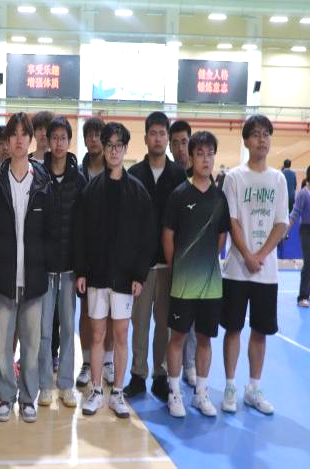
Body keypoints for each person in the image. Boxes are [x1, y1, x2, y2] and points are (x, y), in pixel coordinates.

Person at [75, 122, 155, 419]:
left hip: (124, 278)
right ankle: (96, 390)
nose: (113, 151)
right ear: (103, 148)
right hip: (96, 276)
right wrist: (81, 272)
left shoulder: (138, 192)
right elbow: (81, 234)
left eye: (118, 145)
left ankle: (117, 392)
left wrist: (139, 275)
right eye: (109, 145)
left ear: (125, 149)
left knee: (121, 335)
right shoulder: (91, 190)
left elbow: (146, 238)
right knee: (97, 334)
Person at [0, 112, 54, 424]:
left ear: (31, 139)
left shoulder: (43, 182)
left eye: (23, 134)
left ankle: (28, 398)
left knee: (31, 344)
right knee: (2, 344)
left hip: (34, 277)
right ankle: (5, 395)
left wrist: (44, 265)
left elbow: (51, 232)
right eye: (12, 135)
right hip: (2, 277)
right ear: (6, 141)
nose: (18, 140)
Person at [221, 115, 288, 415]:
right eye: (256, 134)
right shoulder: (234, 178)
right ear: (246, 141)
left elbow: (281, 223)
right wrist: (247, 255)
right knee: (233, 329)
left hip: (266, 272)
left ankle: (253, 388)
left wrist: (260, 255)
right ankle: (230, 386)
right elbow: (232, 220)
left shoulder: (278, 180)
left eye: (266, 134)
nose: (262, 140)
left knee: (260, 331)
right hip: (237, 269)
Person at [162, 131, 230, 418]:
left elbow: (221, 237)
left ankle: (201, 393)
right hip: (183, 283)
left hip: (211, 285)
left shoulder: (219, 198)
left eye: (210, 154)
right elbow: (168, 236)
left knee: (204, 339)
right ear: (191, 158)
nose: (205, 159)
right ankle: (174, 393)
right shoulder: (179, 195)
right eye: (199, 154)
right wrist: (178, 268)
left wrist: (206, 262)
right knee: (177, 338)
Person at [125, 111, 187, 402]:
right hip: (141, 266)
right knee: (139, 323)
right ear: (146, 137)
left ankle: (160, 376)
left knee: (163, 324)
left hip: (169, 264)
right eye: (154, 133)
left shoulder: (178, 176)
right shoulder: (134, 174)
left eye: (163, 134)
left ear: (167, 138)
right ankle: (138, 374)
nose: (158, 138)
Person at [37, 116, 86, 409]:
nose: (58, 143)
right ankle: (44, 384)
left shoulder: (78, 180)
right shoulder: (38, 176)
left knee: (68, 329)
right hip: (44, 269)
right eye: (53, 138)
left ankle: (66, 384)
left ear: (69, 141)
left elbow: (84, 227)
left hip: (69, 269)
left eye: (63, 138)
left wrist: (81, 269)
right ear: (47, 141)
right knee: (44, 331)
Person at [76, 116, 114, 389]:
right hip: (87, 254)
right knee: (87, 311)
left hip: (111, 255)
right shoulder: (78, 175)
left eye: (97, 134)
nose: (93, 139)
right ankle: (88, 362)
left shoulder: (116, 173)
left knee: (111, 312)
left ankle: (108, 361)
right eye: (88, 134)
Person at [169, 119, 197, 388]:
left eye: (184, 142)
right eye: (175, 143)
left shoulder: (203, 178)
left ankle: (190, 365)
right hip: (175, 262)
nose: (180, 148)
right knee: (175, 322)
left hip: (198, 265)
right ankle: (172, 369)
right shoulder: (171, 179)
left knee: (195, 321)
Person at [288, 165, 310, 308]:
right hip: (306, 230)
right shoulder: (303, 194)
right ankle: (303, 296)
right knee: (308, 263)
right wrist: (286, 230)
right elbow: (295, 213)